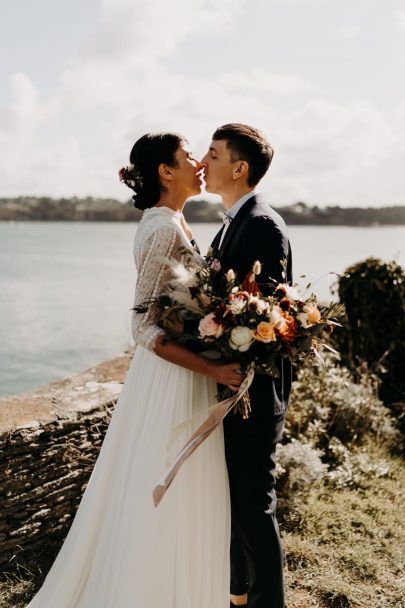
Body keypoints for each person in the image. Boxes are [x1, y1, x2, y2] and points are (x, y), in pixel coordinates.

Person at [25, 132, 243, 608]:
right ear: (166, 171)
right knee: (165, 491)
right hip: (170, 383)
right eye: (189, 157)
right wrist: (210, 368)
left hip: (187, 376)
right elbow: (141, 327)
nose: (200, 164)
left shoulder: (174, 221)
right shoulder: (162, 228)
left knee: (181, 493)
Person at [201, 123, 293, 608]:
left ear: (239, 168)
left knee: (255, 505)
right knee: (236, 503)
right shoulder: (233, 220)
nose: (203, 160)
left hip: (253, 391)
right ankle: (237, 597)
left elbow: (272, 317)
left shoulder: (260, 224)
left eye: (213, 154)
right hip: (233, 387)